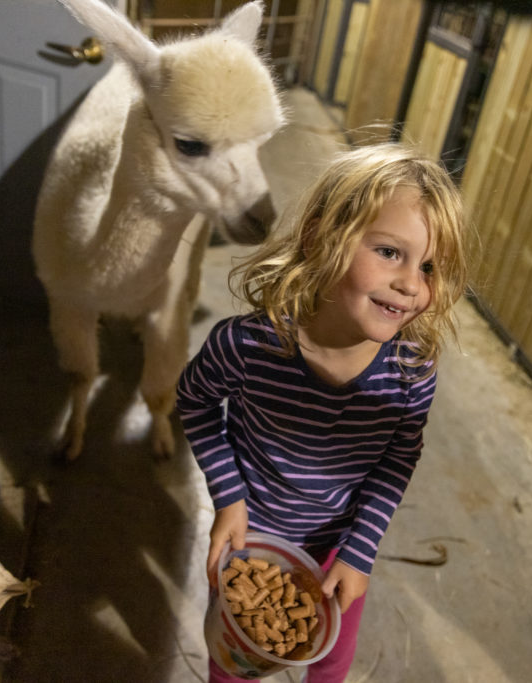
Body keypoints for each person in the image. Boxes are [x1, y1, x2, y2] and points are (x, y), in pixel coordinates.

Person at [176, 142, 469, 683]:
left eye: (429, 267)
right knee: (234, 659)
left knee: (331, 659)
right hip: (252, 539)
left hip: (339, 545)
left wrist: (359, 552)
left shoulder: (410, 374)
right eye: (390, 252)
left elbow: (395, 461)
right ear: (321, 235)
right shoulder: (246, 347)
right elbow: (193, 401)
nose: (411, 283)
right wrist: (229, 499)